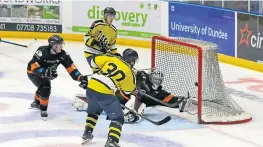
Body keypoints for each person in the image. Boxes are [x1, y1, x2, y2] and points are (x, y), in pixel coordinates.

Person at [73, 69, 186, 124]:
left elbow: (171, 100)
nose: (157, 81)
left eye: (159, 80)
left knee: (139, 102)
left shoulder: (160, 93)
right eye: (155, 79)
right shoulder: (142, 76)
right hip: (123, 94)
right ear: (151, 77)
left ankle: (130, 114)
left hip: (133, 101)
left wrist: (183, 102)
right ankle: (83, 101)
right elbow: (129, 72)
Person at [80, 48, 139, 147]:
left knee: (94, 111)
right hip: (104, 92)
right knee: (118, 118)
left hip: (91, 86)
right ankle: (112, 141)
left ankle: (87, 132)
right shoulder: (130, 73)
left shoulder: (111, 58)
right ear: (132, 61)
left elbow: (93, 62)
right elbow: (127, 91)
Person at [27, 34, 88, 120]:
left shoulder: (63, 55)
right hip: (33, 73)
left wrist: (80, 78)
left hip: (46, 73)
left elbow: (71, 68)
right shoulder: (42, 51)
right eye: (60, 44)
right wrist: (45, 72)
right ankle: (43, 109)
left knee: (43, 86)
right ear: (54, 45)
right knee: (45, 87)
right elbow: (33, 66)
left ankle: (36, 102)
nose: (62, 46)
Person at [83, 7, 121, 74]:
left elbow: (112, 45)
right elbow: (86, 37)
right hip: (90, 53)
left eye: (113, 16)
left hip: (102, 54)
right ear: (105, 16)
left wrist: (116, 54)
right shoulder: (97, 24)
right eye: (110, 16)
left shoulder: (114, 30)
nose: (112, 18)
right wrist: (97, 44)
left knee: (110, 71)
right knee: (99, 73)